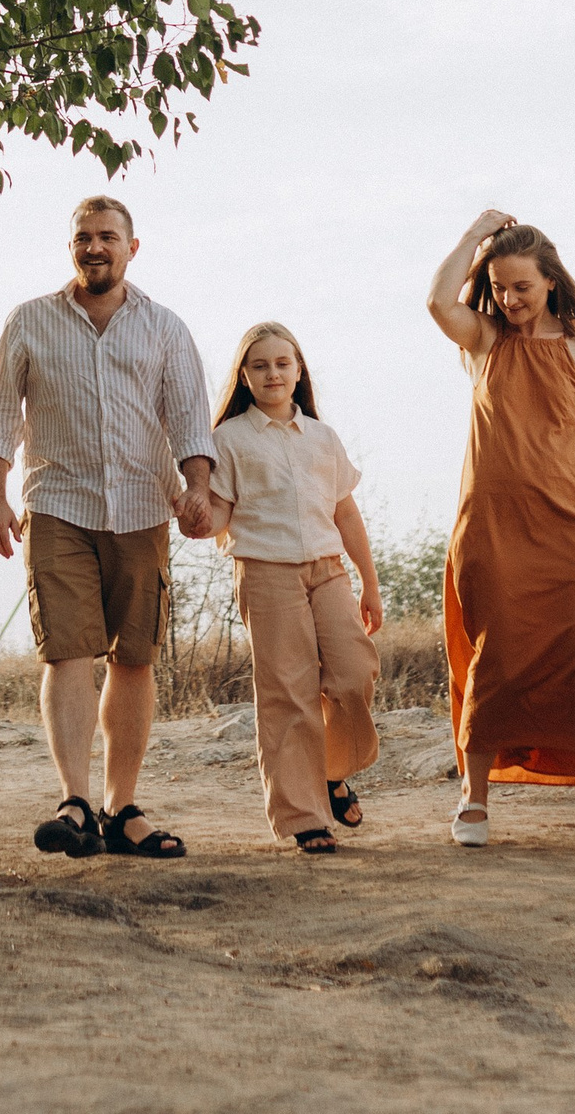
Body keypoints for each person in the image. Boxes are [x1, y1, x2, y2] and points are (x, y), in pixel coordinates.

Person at [0, 194, 215, 860]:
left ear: (131, 248)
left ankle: (122, 808)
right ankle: (75, 802)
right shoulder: (29, 322)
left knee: (134, 659)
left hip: (142, 511)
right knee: (68, 653)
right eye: (83, 237)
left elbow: (190, 422)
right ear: (71, 247)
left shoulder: (165, 328)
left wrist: (197, 489)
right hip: (58, 506)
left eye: (108, 237)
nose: (94, 248)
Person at [425, 206, 575, 859]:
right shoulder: (485, 340)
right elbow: (438, 301)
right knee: (495, 656)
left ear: (550, 279)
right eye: (498, 287)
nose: (509, 299)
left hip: (569, 525)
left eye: (522, 286)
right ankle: (473, 799)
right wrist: (474, 234)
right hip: (491, 526)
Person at [206, 320, 384, 855]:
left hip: (327, 569)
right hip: (267, 571)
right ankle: (305, 816)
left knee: (354, 674)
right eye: (259, 365)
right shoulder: (228, 440)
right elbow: (218, 515)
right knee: (289, 694)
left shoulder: (323, 438)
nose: (272, 373)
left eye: (282, 363)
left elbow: (346, 512)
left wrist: (369, 584)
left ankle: (331, 772)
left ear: (299, 370)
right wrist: (194, 507)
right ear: (244, 375)